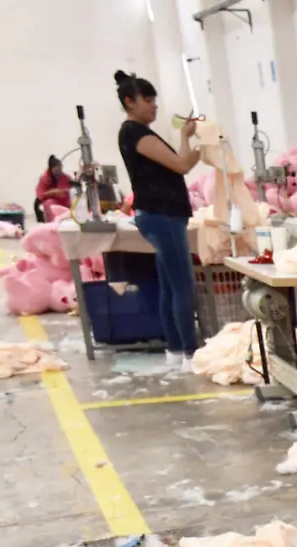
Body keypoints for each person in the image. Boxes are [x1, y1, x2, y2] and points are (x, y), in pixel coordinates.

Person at [114, 70, 199, 365]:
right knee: (182, 286)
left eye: (154, 100)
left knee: (170, 286)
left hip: (160, 215)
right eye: (148, 100)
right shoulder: (135, 133)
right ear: (130, 102)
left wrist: (188, 141)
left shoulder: (139, 133)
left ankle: (175, 350)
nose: (154, 106)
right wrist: (198, 144)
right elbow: (182, 165)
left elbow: (179, 164)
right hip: (163, 216)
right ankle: (191, 353)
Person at [34, 156, 71, 222]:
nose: (60, 170)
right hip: (49, 201)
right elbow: (40, 195)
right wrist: (52, 192)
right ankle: (54, 222)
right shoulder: (44, 178)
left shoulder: (65, 177)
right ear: (52, 168)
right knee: (50, 204)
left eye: (61, 167)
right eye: (58, 167)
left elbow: (69, 189)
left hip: (64, 201)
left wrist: (63, 191)